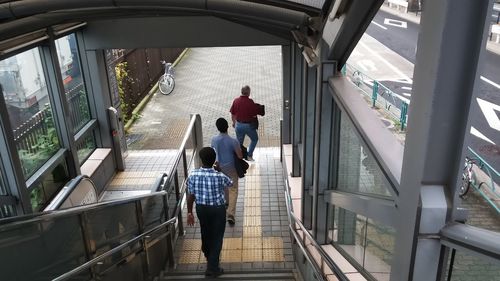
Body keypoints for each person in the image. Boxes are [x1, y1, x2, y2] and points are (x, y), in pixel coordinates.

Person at [186, 147, 232, 277]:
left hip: (201, 209)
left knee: (205, 232)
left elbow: (191, 195)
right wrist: (220, 170)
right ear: (214, 161)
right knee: (217, 237)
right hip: (218, 210)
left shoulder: (193, 175)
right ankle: (212, 268)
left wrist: (189, 212)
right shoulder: (219, 175)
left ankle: (208, 255)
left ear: (201, 160)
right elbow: (230, 183)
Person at [211, 118, 243, 225]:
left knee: (224, 186)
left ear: (217, 128)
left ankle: (226, 203)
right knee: (233, 189)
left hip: (218, 167)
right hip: (231, 167)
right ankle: (231, 214)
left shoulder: (214, 139)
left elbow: (213, 152)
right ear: (227, 127)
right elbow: (240, 155)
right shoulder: (233, 141)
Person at [230, 85, 263, 161]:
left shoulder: (236, 101)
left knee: (239, 142)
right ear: (248, 93)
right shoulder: (250, 102)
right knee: (254, 139)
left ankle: (238, 158)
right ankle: (249, 155)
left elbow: (233, 114)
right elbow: (254, 114)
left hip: (238, 125)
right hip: (248, 126)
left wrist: (234, 123)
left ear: (241, 92)